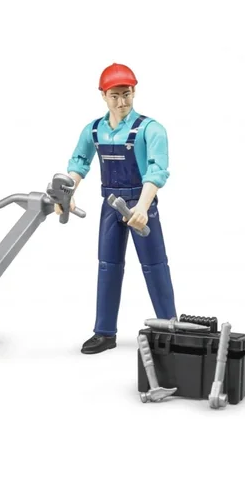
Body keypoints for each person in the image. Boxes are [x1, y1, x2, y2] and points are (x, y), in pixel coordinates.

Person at [59, 63, 177, 354]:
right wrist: (67, 192)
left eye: (127, 94)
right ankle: (104, 332)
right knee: (107, 266)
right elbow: (79, 163)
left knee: (155, 266)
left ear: (134, 92)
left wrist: (143, 206)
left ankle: (171, 330)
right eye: (115, 95)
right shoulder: (94, 130)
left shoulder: (150, 129)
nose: (122, 101)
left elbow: (157, 171)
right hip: (110, 205)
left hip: (140, 204)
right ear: (103, 95)